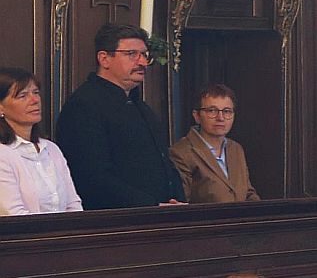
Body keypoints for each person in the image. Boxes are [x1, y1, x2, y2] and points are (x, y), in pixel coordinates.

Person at [55, 23, 184, 209]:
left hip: (159, 216)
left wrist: (176, 199)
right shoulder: (84, 106)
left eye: (144, 55)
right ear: (104, 59)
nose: (142, 62)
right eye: (132, 54)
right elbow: (91, 175)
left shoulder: (140, 106)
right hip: (118, 221)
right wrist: (151, 205)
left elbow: (164, 162)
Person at [0, 67, 81, 216]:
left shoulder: (51, 149)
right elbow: (13, 214)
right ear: (1, 107)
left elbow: (73, 204)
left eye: (36, 93)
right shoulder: (3, 154)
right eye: (22, 96)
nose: (34, 100)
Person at [169, 85, 262, 204]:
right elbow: (182, 203)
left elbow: (248, 193)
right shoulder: (181, 152)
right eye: (212, 111)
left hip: (241, 221)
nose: (221, 118)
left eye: (227, 111)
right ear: (197, 116)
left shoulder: (236, 148)